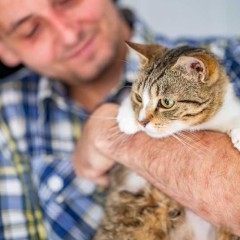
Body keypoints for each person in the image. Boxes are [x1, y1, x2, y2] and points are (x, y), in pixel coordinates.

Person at [0, 0, 239, 239]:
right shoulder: (7, 116)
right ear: (4, 48)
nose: (69, 35)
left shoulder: (231, 58)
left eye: (68, 1)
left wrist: (118, 141)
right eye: (31, 30)